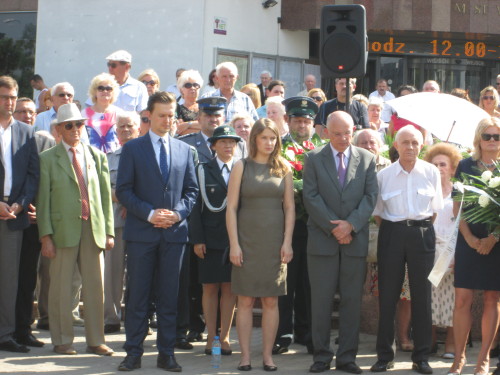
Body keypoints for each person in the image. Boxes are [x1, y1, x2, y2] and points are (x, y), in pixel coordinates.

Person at [116, 91, 198, 372]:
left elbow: (192, 191)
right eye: (162, 115)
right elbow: (123, 190)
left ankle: (166, 353)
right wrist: (150, 214)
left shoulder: (185, 150)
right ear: (149, 116)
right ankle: (133, 353)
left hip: (174, 235)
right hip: (142, 234)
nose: (167, 120)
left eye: (171, 115)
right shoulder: (133, 149)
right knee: (137, 296)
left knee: (169, 296)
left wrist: (176, 214)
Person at [303, 111, 378, 374]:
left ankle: (347, 357)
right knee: (321, 302)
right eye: (337, 133)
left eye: (348, 132)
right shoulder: (313, 158)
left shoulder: (367, 159)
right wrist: (334, 227)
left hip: (354, 241)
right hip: (323, 241)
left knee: (351, 301)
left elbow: (370, 197)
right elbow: (310, 196)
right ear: (326, 132)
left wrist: (351, 225)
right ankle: (321, 356)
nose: (344, 138)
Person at [37, 103, 114, 356]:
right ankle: (62, 340)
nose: (75, 129)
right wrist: (45, 236)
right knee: (60, 287)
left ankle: (96, 340)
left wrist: (109, 231)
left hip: (92, 228)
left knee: (95, 287)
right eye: (68, 125)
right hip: (61, 231)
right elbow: (43, 200)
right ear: (58, 129)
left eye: (79, 124)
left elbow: (104, 198)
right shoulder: (47, 159)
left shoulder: (96, 156)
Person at [371, 125, 443, 375]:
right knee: (388, 295)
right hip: (391, 232)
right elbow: (378, 213)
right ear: (395, 145)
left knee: (422, 296)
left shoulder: (431, 172)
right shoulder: (384, 175)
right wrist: (398, 229)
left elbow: (434, 211)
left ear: (421, 145)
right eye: (405, 142)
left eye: (415, 142)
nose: (410, 147)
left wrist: (416, 229)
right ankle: (384, 355)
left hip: (422, 233)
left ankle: (421, 356)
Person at [226, 118, 295, 371]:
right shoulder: (240, 166)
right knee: (244, 301)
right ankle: (245, 357)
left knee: (271, 302)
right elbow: (231, 208)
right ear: (254, 138)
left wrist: (287, 242)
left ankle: (267, 356)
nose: (269, 142)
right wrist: (234, 244)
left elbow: (289, 208)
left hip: (275, 245)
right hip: (246, 242)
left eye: (273, 138)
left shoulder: (283, 167)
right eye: (264, 137)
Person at [448, 117, 500, 375]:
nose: (492, 141)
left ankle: (483, 360)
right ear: (479, 138)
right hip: (468, 238)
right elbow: (458, 206)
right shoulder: (465, 165)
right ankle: (458, 360)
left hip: (497, 242)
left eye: (496, 136)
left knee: (492, 298)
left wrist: (493, 238)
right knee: (462, 300)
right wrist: (468, 237)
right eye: (487, 136)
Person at [273, 97, 319, 357]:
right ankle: (283, 334)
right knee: (285, 282)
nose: (302, 125)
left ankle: (308, 331)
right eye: (298, 120)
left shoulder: (320, 149)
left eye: (307, 121)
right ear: (287, 121)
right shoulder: (278, 149)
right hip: (286, 226)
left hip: (313, 225)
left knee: (309, 282)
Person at [190, 125, 241, 356]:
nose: (228, 146)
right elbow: (195, 208)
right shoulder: (203, 169)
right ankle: (211, 337)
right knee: (210, 288)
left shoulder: (241, 168)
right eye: (223, 142)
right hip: (209, 239)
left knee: (230, 289)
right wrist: (198, 239)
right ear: (213, 146)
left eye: (232, 142)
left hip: (234, 238)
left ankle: (226, 336)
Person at [0, 76, 39, 353]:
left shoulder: (26, 132)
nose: (10, 102)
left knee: (10, 279)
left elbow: (32, 175)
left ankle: (6, 333)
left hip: (14, 215)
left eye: (13, 96)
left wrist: (21, 203)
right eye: (4, 97)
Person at [14, 130, 55, 349]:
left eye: (30, 112)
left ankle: (23, 329)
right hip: (8, 217)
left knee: (27, 280)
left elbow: (47, 183)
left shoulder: (43, 142)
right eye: (22, 111)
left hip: (31, 223)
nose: (27, 116)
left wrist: (40, 212)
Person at [422, 143, 462, 360]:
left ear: (453, 168)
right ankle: (429, 341)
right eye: (434, 164)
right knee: (429, 297)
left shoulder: (459, 192)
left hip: (451, 250)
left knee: (453, 299)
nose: (438, 168)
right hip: (429, 249)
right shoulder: (426, 189)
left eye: (443, 164)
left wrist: (456, 255)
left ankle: (450, 343)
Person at [103, 111, 140, 334]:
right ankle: (111, 318)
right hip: (116, 222)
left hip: (139, 223)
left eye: (130, 126)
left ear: (138, 129)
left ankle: (137, 318)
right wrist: (125, 198)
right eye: (122, 127)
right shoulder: (108, 158)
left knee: (138, 273)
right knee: (112, 273)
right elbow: (104, 189)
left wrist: (130, 202)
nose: (126, 130)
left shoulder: (147, 156)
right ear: (116, 132)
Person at [180, 96, 247, 163]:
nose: (213, 120)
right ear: (199, 119)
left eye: (217, 116)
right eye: (208, 115)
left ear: (223, 119)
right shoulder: (186, 144)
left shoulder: (239, 145)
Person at [83, 73, 121, 153]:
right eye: (101, 88)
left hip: (114, 158)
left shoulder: (120, 113)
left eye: (109, 88)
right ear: (94, 91)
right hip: (91, 157)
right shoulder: (83, 114)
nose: (105, 91)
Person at [175, 70, 204, 136]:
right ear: (181, 89)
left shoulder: (205, 107)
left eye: (195, 85)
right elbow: (179, 130)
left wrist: (188, 124)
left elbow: (207, 126)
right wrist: (199, 128)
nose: (192, 88)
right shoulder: (177, 108)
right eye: (188, 85)